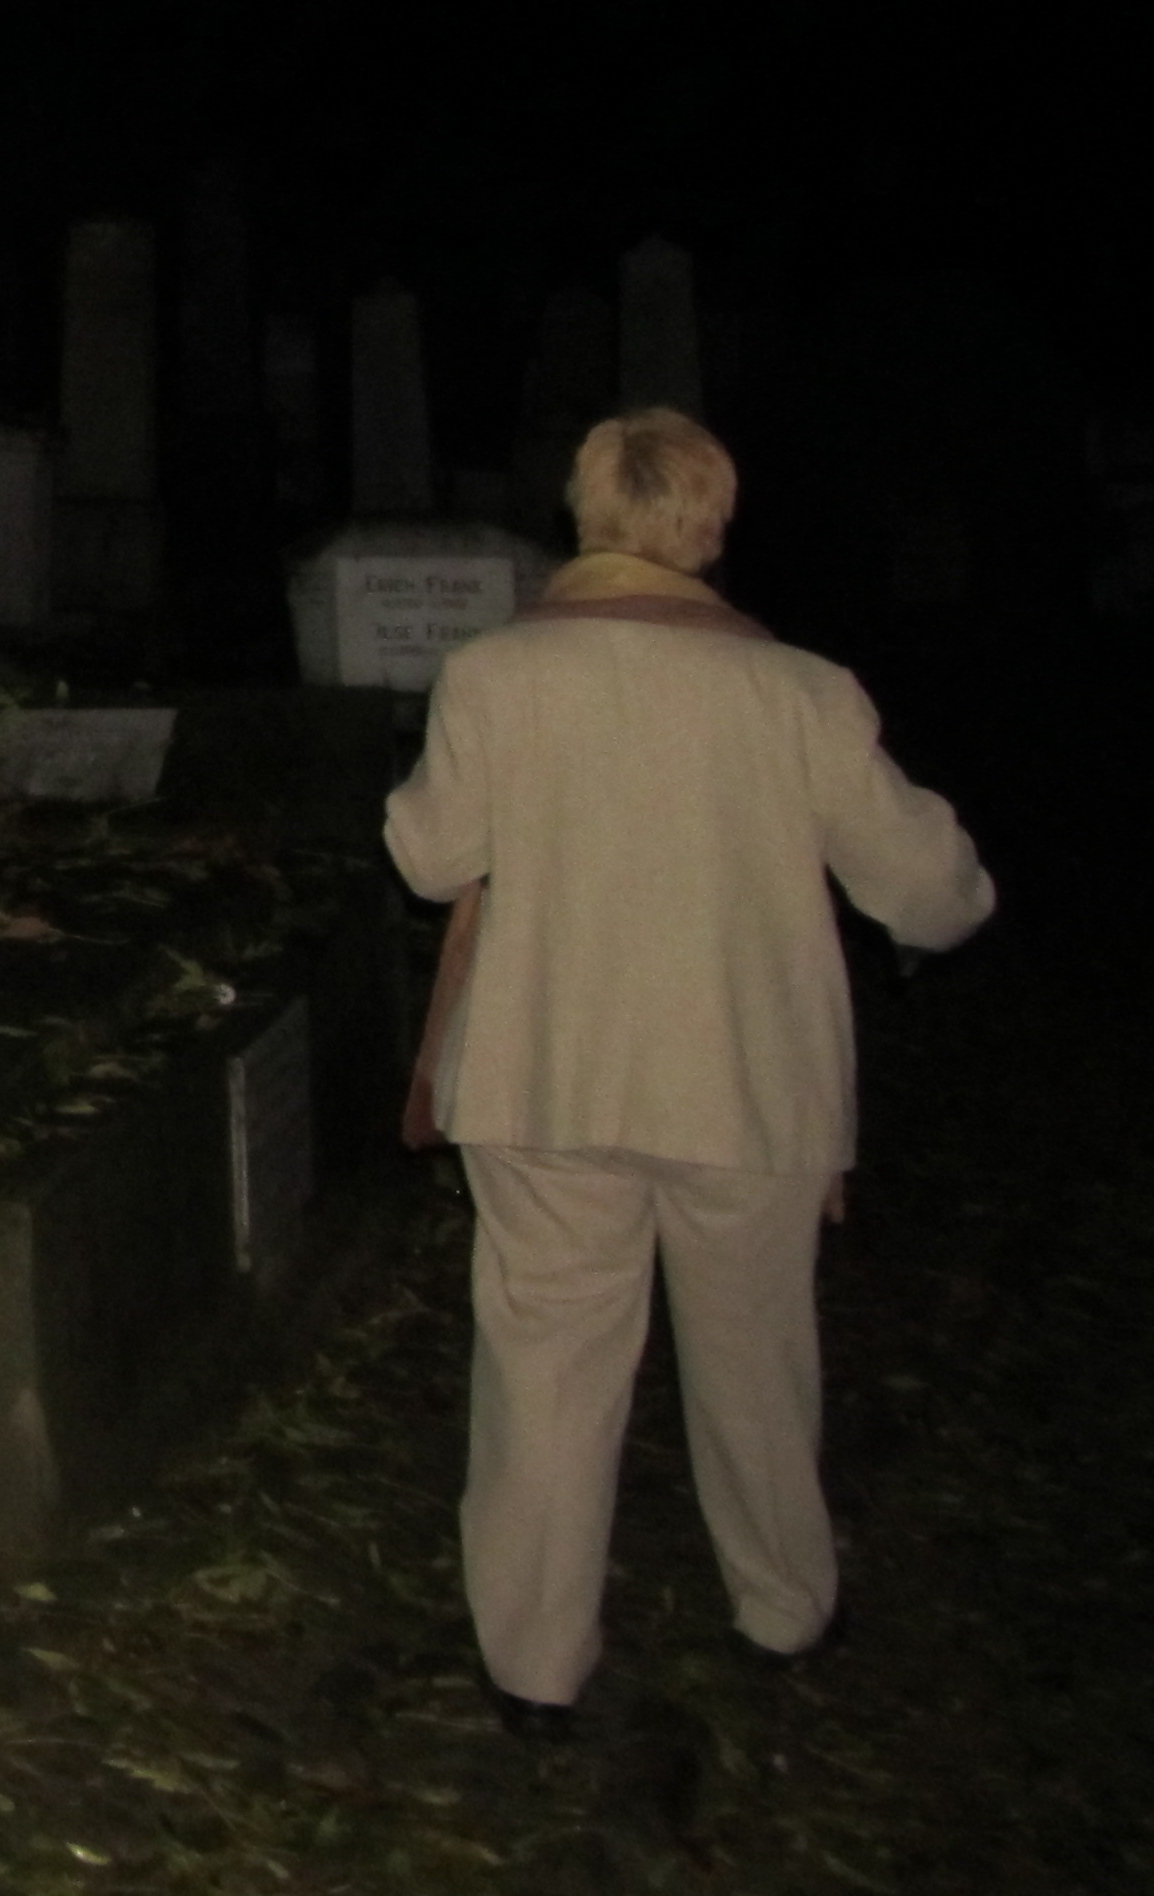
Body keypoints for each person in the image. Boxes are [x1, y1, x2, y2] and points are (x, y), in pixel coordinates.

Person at [385, 407, 991, 1738]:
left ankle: (534, 1662)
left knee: (545, 1362)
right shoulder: (799, 692)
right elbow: (933, 889)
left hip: (544, 1075)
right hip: (748, 1086)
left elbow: (429, 859)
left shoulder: (495, 675)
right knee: (757, 1355)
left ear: (584, 512)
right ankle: (782, 1608)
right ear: (710, 527)